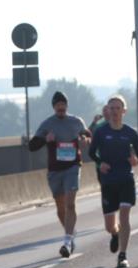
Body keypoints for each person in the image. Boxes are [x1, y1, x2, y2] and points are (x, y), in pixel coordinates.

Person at [27, 91, 91, 257]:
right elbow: (32, 146)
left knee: (70, 203)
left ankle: (67, 241)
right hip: (55, 170)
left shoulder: (76, 122)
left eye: (63, 107)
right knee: (61, 206)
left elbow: (87, 135)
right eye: (58, 107)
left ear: (67, 106)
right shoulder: (47, 124)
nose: (61, 109)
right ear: (54, 107)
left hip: (73, 167)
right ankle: (70, 233)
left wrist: (85, 140)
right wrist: (45, 139)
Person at [88, 95, 138, 268]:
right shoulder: (101, 132)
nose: (114, 111)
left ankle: (123, 255)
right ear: (108, 111)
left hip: (126, 179)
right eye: (111, 108)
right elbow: (91, 153)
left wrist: (136, 160)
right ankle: (115, 234)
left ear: (124, 111)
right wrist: (100, 163)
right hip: (108, 181)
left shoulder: (130, 132)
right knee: (109, 226)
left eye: (117, 108)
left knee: (125, 215)